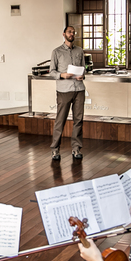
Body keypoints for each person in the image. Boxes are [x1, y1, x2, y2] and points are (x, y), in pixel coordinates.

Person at [49, 26, 85, 161]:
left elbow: (84, 69)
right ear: (64, 34)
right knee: (60, 120)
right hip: (64, 90)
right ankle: (55, 150)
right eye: (69, 32)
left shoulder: (79, 51)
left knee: (78, 120)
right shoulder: (56, 52)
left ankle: (76, 149)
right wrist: (62, 75)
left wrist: (82, 76)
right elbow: (52, 72)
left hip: (79, 90)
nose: (72, 34)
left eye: (73, 32)